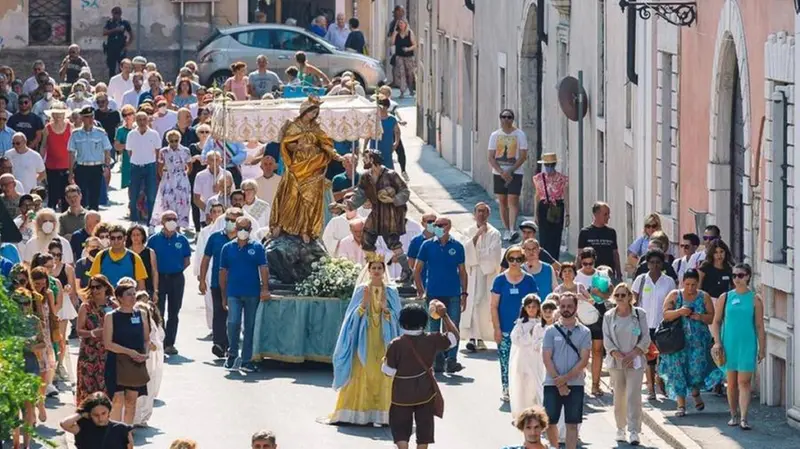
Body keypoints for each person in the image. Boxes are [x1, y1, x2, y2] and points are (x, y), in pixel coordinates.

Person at [330, 255, 401, 425]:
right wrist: (363, 305)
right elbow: (350, 318)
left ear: (384, 271)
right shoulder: (362, 290)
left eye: (379, 268)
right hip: (364, 337)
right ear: (368, 271)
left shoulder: (391, 291)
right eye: (373, 268)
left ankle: (382, 415)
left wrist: (385, 309)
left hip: (384, 338)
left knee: (383, 372)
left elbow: (397, 318)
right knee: (363, 370)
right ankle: (357, 413)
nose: (376, 271)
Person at [382, 302, 459, 449]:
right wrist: (444, 316)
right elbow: (454, 337)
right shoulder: (432, 339)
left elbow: (388, 372)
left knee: (400, 428)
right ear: (424, 322)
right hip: (425, 393)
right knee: (424, 428)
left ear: (402, 322)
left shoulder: (396, 344)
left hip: (401, 395)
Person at [269, 96, 345, 242]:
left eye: (316, 112)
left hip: (314, 165)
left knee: (310, 199)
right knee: (291, 196)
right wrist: (297, 146)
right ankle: (281, 224)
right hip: (298, 165)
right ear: (304, 111)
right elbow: (286, 143)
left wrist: (335, 155)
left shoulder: (316, 127)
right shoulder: (293, 125)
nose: (314, 115)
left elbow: (326, 143)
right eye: (312, 111)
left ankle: (306, 229)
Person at [658, 269, 721, 418]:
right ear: (682, 282)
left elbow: (711, 317)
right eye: (687, 284)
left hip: (698, 341)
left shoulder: (703, 296)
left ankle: (695, 392)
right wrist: (680, 311)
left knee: (696, 370)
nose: (690, 288)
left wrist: (699, 316)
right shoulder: (675, 295)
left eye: (693, 284)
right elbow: (665, 315)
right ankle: (681, 405)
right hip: (677, 341)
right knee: (678, 370)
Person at [711, 263, 766, 430]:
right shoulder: (725, 297)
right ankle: (733, 414)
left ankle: (743, 417)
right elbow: (716, 321)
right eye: (734, 275)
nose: (737, 279)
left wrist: (762, 348)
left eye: (740, 275)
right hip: (729, 344)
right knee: (732, 382)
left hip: (747, 344)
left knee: (744, 382)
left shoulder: (755, 299)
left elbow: (759, 325)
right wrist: (717, 342)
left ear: (748, 276)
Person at [344, 149, 412, 280]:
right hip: (375, 213)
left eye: (365, 158)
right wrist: (348, 205)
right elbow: (360, 195)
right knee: (366, 240)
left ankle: (407, 271)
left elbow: (405, 191)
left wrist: (394, 199)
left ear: (372, 159)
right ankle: (373, 269)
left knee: (393, 243)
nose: (363, 160)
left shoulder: (391, 175)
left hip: (390, 214)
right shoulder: (366, 177)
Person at [413, 216, 467, 373]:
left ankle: (452, 360)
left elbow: (462, 272)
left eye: (441, 225)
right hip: (434, 295)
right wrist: (421, 290)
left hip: (453, 293)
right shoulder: (427, 246)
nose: (437, 227)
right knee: (434, 328)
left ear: (449, 226)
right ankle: (437, 359)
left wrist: (464, 293)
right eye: (435, 225)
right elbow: (417, 269)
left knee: (453, 325)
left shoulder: (457, 246)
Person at [219, 216, 270, 372]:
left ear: (250, 230)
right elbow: (222, 272)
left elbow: (263, 269)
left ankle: (246, 359)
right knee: (233, 323)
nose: (242, 232)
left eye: (245, 229)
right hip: (233, 292)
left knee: (250, 326)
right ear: (235, 228)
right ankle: (232, 354)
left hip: (252, 293)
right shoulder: (227, 248)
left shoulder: (258, 247)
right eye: (240, 228)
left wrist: (265, 288)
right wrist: (223, 295)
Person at [542, 292, 591, 449]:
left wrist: (566, 379)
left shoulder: (585, 332)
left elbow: (584, 360)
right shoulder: (550, 331)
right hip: (552, 383)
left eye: (570, 306)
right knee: (550, 422)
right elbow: (546, 358)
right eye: (563, 306)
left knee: (572, 423)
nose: (566, 309)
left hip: (575, 384)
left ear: (576, 308)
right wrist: (559, 381)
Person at [603, 283, 651, 444]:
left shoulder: (639, 314)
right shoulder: (609, 315)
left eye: (623, 295)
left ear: (630, 296)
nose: (620, 298)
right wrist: (619, 355)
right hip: (616, 362)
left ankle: (634, 430)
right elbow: (607, 339)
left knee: (633, 396)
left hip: (635, 361)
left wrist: (633, 354)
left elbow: (646, 337)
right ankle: (620, 428)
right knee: (619, 396)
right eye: (617, 295)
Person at [491, 246, 539, 401]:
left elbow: (535, 304)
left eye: (518, 259)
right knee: (505, 361)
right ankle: (507, 388)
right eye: (511, 259)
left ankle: (525, 389)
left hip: (526, 330)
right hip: (505, 328)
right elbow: (494, 306)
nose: (514, 262)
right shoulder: (499, 280)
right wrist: (496, 328)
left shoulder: (529, 280)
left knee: (525, 362)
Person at [199, 207, 245, 358]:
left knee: (234, 315)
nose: (230, 223)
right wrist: (202, 279)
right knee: (219, 313)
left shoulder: (244, 240)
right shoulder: (215, 237)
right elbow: (206, 259)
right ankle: (219, 343)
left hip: (237, 284)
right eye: (228, 219)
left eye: (233, 220)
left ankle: (232, 344)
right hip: (217, 283)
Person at [632, 249, 677, 400]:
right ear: (647, 264)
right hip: (645, 325)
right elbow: (635, 302)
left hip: (663, 325)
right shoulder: (641, 280)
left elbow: (673, 303)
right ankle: (651, 389)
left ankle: (661, 383)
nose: (655, 265)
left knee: (663, 356)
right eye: (652, 262)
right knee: (649, 358)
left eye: (658, 262)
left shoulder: (669, 281)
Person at [103, 283, 150, 425]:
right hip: (116, 362)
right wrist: (129, 352)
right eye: (128, 294)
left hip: (135, 363)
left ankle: (126, 433)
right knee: (117, 400)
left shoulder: (141, 314)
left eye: (134, 293)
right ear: (119, 298)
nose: (132, 297)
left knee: (131, 401)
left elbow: (146, 339)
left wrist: (145, 354)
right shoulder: (111, 316)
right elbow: (108, 343)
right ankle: (115, 434)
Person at [147, 211, 191, 355]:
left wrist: (175, 270)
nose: (171, 221)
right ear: (162, 221)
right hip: (159, 279)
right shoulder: (153, 240)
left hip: (176, 279)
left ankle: (170, 343)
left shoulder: (182, 240)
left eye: (174, 219)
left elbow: (186, 261)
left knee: (174, 312)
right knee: (158, 311)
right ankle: (160, 340)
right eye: (168, 219)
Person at [462, 202, 502, 351]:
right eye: (479, 211)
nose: (481, 214)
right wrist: (477, 236)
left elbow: (494, 256)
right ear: (474, 213)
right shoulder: (468, 231)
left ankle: (480, 337)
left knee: (481, 302)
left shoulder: (494, 233)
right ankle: (473, 337)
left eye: (484, 212)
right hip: (471, 272)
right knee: (471, 302)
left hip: (486, 274)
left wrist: (477, 255)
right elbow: (465, 250)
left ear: (488, 214)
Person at [488, 109, 528, 241]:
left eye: (509, 117)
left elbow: (523, 156)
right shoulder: (495, 135)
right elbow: (491, 157)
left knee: (513, 200)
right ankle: (506, 228)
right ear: (500, 119)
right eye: (504, 117)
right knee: (502, 201)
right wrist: (501, 171)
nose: (506, 119)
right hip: (499, 173)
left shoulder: (520, 134)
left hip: (515, 172)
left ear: (513, 119)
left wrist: (510, 170)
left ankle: (512, 228)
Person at [75, 274, 115, 404]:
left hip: (107, 352)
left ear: (105, 288)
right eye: (92, 287)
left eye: (98, 287)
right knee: (87, 388)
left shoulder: (113, 306)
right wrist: (93, 333)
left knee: (106, 386)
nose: (95, 290)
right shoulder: (85, 307)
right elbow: (79, 331)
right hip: (88, 352)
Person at [509, 294, 546, 420]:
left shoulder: (542, 323)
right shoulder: (520, 324)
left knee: (536, 385)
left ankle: (538, 413)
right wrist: (530, 334)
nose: (531, 309)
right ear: (524, 308)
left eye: (534, 307)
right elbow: (516, 339)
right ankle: (523, 413)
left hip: (537, 358)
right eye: (529, 307)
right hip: (524, 358)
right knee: (524, 386)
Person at [68, 106, 113, 210]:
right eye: (87, 117)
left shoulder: (101, 133)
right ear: (82, 118)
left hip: (96, 167)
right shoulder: (76, 134)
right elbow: (71, 153)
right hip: (81, 167)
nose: (90, 119)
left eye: (92, 116)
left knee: (95, 197)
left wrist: (107, 167)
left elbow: (107, 150)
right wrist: (70, 172)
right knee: (81, 198)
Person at [133, 292, 165, 427]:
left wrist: (151, 345)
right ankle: (133, 418)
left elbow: (157, 342)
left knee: (148, 390)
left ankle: (142, 417)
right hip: (134, 363)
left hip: (149, 363)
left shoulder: (151, 326)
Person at [60, 391, 134, 449]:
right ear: (89, 414)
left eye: (103, 413)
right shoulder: (83, 429)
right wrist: (81, 414)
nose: (100, 418)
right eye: (96, 415)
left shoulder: (122, 429)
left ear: (109, 411)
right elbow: (64, 424)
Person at [152, 130, 192, 227]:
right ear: (168, 141)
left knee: (182, 203)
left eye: (176, 140)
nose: (174, 143)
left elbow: (190, 166)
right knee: (167, 201)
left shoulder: (185, 150)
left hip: (182, 179)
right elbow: (160, 167)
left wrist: (184, 176)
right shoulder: (163, 151)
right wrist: (165, 178)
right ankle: (167, 224)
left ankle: (179, 226)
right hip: (168, 178)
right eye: (171, 141)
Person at [532, 152, 569, 259]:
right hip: (543, 206)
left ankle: (554, 260)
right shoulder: (538, 178)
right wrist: (535, 214)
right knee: (544, 237)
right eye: (547, 165)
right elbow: (537, 195)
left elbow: (565, 196)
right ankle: (544, 260)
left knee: (556, 236)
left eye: (551, 165)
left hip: (557, 207)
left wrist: (567, 213)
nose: (549, 167)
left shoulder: (562, 179)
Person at [126, 111, 160, 223]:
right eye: (139, 119)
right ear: (136, 121)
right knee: (134, 194)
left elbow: (157, 150)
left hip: (150, 167)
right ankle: (134, 220)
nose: (141, 122)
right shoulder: (131, 134)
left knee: (151, 196)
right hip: (135, 167)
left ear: (147, 120)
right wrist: (136, 160)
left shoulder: (154, 134)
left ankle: (150, 221)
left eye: (144, 119)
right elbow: (129, 151)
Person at [89, 224, 147, 289]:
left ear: (125, 238)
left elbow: (141, 285)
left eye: (119, 238)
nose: (116, 241)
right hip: (106, 298)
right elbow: (93, 280)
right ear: (109, 239)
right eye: (113, 238)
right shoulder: (101, 256)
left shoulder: (134, 257)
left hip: (127, 298)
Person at [578, 201, 622, 280]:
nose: (608, 217)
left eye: (608, 214)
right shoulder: (585, 232)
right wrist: (577, 273)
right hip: (590, 273)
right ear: (596, 214)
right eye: (605, 214)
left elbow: (615, 254)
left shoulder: (611, 232)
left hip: (608, 274)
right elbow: (579, 255)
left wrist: (619, 274)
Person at [42, 102, 73, 211]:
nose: (58, 116)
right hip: (51, 166)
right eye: (55, 113)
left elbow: (74, 147)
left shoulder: (70, 127)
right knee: (52, 193)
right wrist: (41, 164)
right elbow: (43, 146)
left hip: (67, 165)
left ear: (64, 114)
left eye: (60, 113)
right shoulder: (47, 128)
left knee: (66, 193)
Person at [368, 96, 400, 171]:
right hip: (375, 145)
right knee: (374, 165)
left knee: (388, 166)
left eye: (381, 106)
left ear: (386, 107)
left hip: (387, 145)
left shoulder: (392, 119)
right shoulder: (374, 118)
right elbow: (369, 132)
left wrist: (396, 143)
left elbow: (397, 131)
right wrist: (365, 147)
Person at [126, 224, 158, 298]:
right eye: (133, 235)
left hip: (147, 289)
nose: (135, 237)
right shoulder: (125, 252)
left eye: (138, 235)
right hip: (128, 289)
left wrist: (155, 291)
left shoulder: (150, 252)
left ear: (143, 236)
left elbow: (154, 272)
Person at [103, 6, 133, 78]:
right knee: (111, 68)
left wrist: (127, 45)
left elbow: (131, 35)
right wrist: (115, 30)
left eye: (118, 13)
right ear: (112, 14)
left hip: (121, 48)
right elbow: (104, 32)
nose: (116, 15)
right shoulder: (109, 22)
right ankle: (112, 82)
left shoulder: (124, 23)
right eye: (115, 13)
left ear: (120, 14)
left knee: (122, 67)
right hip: (111, 48)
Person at [390, 19, 416, 98]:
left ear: (405, 24)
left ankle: (411, 89)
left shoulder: (410, 33)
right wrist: (394, 33)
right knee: (401, 74)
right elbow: (392, 43)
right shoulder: (396, 33)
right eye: (399, 23)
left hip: (409, 56)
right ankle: (402, 92)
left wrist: (408, 49)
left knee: (410, 74)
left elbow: (415, 45)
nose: (400, 25)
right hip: (399, 56)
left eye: (402, 23)